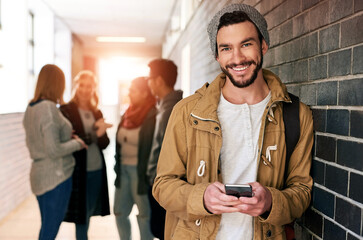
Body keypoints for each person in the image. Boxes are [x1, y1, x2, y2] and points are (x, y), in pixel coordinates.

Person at [152, 3, 314, 240]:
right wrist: (202, 198)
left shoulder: (296, 115)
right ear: (216, 55)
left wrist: (271, 201)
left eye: (246, 44)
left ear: (264, 45)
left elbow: (301, 192)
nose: (237, 58)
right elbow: (163, 185)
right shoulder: (187, 113)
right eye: (226, 48)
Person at [23, 64, 87, 240]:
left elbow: (43, 139)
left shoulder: (31, 107)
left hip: (39, 175)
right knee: (49, 231)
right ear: (57, 84)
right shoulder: (49, 108)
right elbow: (54, 149)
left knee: (47, 228)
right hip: (55, 177)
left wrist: (66, 135)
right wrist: (77, 143)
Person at [60, 70, 112, 240]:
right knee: (81, 217)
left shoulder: (97, 112)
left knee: (88, 212)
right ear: (76, 86)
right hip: (78, 171)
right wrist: (94, 135)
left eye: (88, 86)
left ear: (93, 89)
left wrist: (102, 132)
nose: (84, 89)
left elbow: (104, 144)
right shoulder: (66, 111)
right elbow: (69, 141)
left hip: (96, 169)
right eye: (81, 85)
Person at [114, 77, 156, 240]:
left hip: (141, 174)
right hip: (122, 171)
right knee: (119, 212)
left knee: (144, 216)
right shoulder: (127, 113)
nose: (129, 93)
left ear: (145, 93)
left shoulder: (153, 116)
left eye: (133, 90)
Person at [146, 59, 183, 239]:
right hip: (157, 180)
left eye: (150, 79)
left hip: (163, 182)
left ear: (159, 80)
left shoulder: (172, 109)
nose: (148, 83)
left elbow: (167, 151)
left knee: (162, 230)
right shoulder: (164, 106)